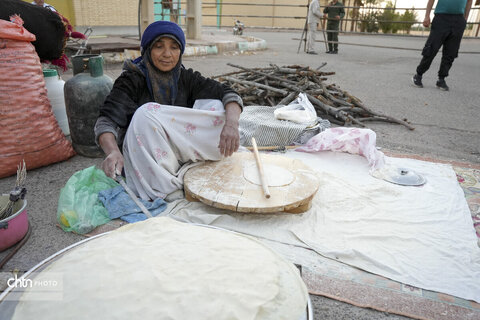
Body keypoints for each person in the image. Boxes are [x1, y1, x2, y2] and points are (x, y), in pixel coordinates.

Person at [94, 21, 243, 201]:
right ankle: (165, 188)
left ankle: (191, 165)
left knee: (218, 106)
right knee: (145, 114)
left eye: (174, 47)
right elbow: (105, 121)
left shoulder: (186, 77)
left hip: (176, 152)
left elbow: (228, 93)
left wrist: (232, 125)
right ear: (147, 49)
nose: (167, 54)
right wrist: (112, 152)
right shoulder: (132, 79)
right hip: (144, 156)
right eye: (159, 47)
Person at [412, 0, 472, 91]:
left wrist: (465, 18)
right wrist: (427, 15)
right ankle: (419, 74)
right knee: (431, 48)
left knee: (451, 52)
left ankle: (441, 79)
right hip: (441, 18)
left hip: (459, 20)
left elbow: (469, 1)